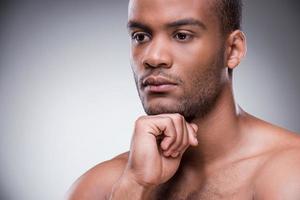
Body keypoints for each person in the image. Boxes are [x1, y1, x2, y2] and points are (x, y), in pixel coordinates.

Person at [67, 0, 300, 199]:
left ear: (233, 50)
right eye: (141, 36)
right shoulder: (101, 186)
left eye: (182, 35)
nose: (153, 57)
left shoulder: (289, 173)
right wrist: (135, 187)